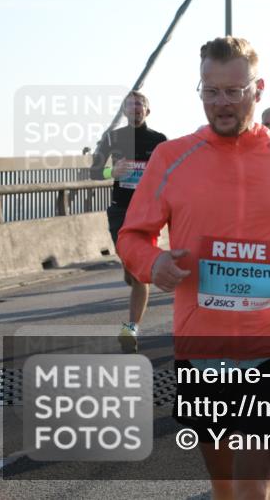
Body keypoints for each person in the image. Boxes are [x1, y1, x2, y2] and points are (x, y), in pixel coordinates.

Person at [117, 36, 270, 497]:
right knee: (225, 487)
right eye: (211, 91)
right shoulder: (171, 157)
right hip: (202, 344)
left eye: (233, 91)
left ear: (257, 89)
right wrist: (154, 261)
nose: (222, 103)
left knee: (253, 489)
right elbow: (132, 237)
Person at [90, 90, 168, 353]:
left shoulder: (159, 141)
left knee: (138, 274)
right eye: (130, 107)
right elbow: (93, 171)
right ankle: (129, 266)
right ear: (124, 111)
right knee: (130, 267)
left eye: (140, 106)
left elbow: (171, 175)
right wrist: (114, 171)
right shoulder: (113, 137)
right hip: (120, 210)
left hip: (147, 213)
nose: (135, 110)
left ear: (148, 111)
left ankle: (130, 329)